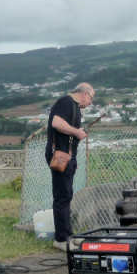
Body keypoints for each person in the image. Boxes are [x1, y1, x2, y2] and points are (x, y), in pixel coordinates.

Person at [44, 82, 95, 251]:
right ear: (85, 93)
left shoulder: (74, 107)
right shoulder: (65, 102)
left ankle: (68, 234)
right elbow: (56, 123)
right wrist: (76, 132)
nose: (90, 102)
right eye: (91, 98)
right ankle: (61, 239)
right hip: (60, 156)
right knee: (62, 196)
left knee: (66, 195)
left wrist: (77, 133)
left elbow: (67, 130)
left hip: (67, 156)